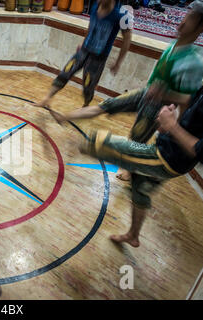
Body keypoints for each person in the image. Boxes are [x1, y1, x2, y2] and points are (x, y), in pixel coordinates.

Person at [48, 2, 203, 181]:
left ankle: (129, 169)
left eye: (190, 19)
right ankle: (65, 116)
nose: (182, 21)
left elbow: (187, 100)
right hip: (145, 93)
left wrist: (167, 107)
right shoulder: (174, 44)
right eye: (185, 15)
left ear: (200, 27)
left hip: (158, 107)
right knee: (107, 105)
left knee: (136, 138)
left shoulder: (194, 62)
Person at [72, 90, 203, 248]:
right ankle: (133, 236)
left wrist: (172, 126)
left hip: (165, 159)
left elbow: (198, 150)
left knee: (99, 142)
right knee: (140, 188)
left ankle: (75, 148)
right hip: (169, 152)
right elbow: (190, 102)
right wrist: (166, 100)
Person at [34, 0, 132, 108]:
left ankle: (86, 105)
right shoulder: (95, 5)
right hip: (84, 49)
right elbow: (91, 26)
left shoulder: (122, 15)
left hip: (99, 57)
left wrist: (118, 63)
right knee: (66, 71)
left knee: (88, 85)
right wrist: (83, 41)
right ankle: (47, 98)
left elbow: (127, 39)